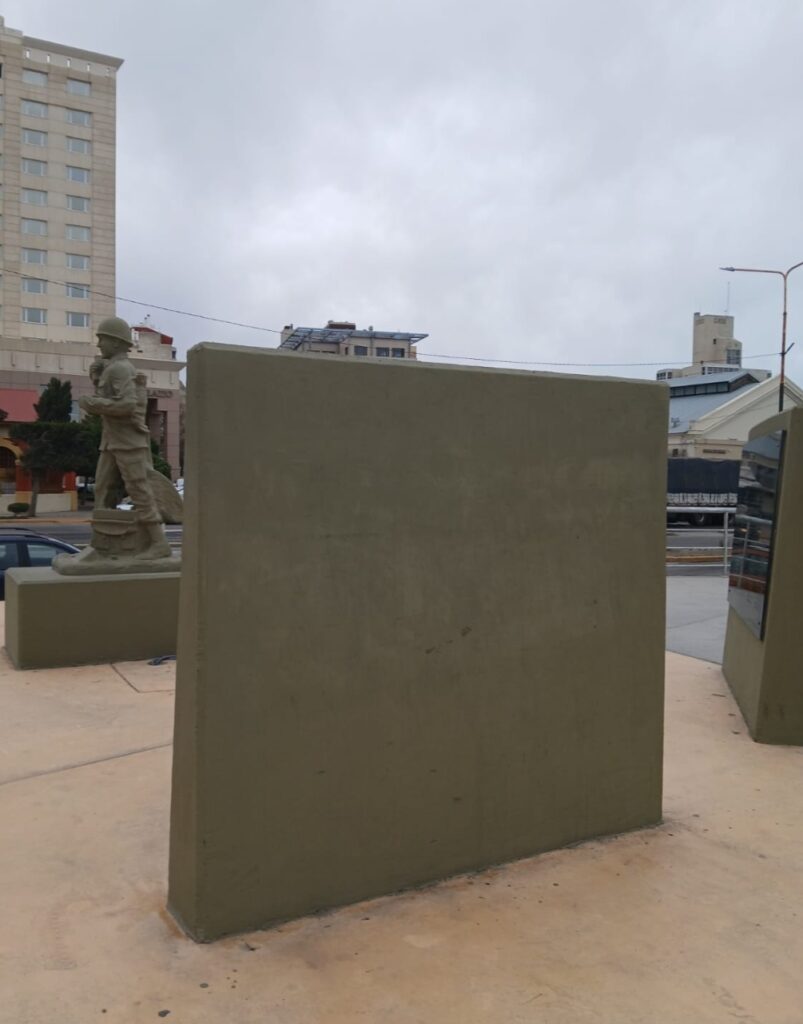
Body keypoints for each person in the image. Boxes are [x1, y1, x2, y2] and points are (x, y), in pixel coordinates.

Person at [79, 317, 171, 560]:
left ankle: (159, 543)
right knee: (102, 489)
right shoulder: (112, 368)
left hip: (128, 441)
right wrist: (97, 378)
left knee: (138, 490)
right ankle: (102, 544)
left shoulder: (121, 369)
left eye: (103, 339)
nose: (99, 344)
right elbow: (114, 397)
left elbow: (128, 405)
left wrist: (93, 404)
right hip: (112, 440)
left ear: (117, 343)